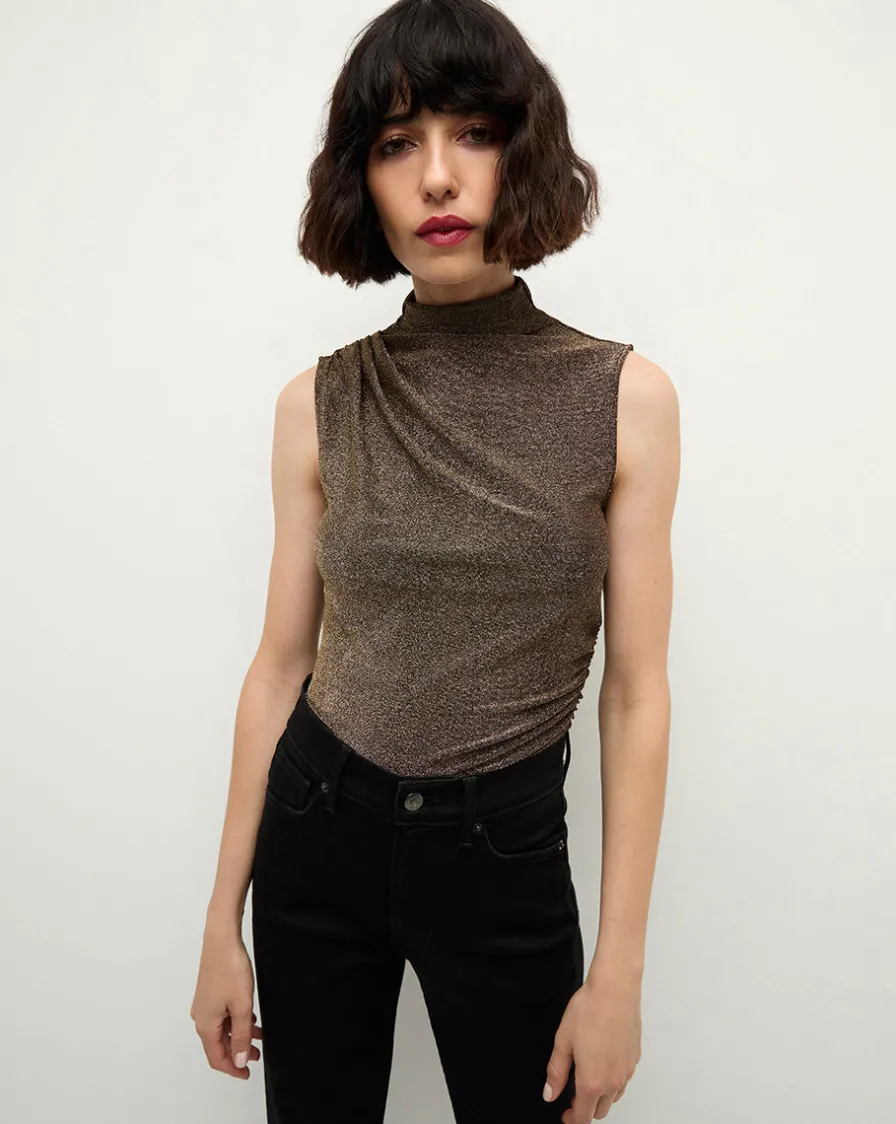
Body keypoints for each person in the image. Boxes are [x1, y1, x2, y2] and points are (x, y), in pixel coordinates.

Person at [190, 0, 679, 1121]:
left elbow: (637, 692)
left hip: (503, 850)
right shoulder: (317, 403)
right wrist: (221, 921)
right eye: (397, 143)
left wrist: (618, 975)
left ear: (525, 152)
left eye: (474, 133)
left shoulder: (624, 398)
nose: (439, 178)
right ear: (361, 180)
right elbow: (280, 666)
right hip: (315, 831)